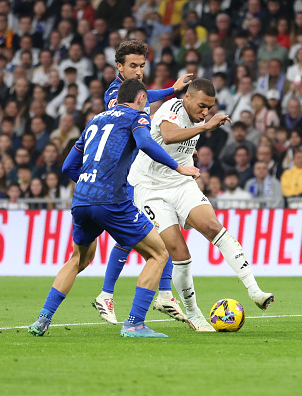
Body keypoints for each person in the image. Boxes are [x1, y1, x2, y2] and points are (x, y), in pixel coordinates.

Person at [28, 78, 200, 338]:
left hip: (82, 198)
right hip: (112, 201)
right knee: (159, 254)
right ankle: (134, 323)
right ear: (142, 98)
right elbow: (144, 143)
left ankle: (42, 319)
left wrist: (90, 185)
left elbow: (67, 167)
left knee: (78, 259)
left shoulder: (95, 120)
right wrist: (179, 166)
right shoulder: (137, 117)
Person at [126, 78, 274, 332]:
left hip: (181, 182)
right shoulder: (170, 109)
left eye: (210, 107)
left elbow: (176, 143)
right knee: (179, 252)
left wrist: (190, 151)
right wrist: (206, 127)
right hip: (150, 189)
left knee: (213, 226)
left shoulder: (195, 118)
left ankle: (255, 290)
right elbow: (171, 135)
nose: (205, 112)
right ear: (188, 98)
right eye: (202, 106)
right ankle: (194, 314)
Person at [93, 40, 193, 325]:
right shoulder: (117, 94)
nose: (138, 71)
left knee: (162, 228)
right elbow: (142, 105)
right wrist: (172, 90)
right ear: (119, 67)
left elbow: (147, 101)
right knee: (135, 236)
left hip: (136, 171)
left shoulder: (138, 94)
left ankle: (163, 293)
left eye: (141, 65)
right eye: (132, 66)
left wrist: (171, 90)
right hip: (126, 175)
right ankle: (108, 294)